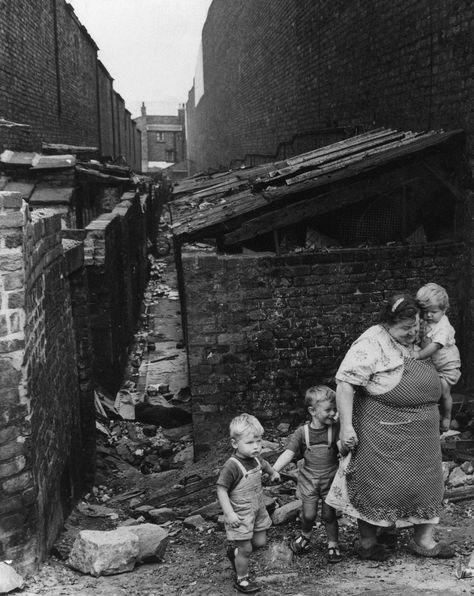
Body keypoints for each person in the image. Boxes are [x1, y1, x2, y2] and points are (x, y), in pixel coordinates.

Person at [326, 294, 455, 561]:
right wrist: (347, 428)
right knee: (378, 485)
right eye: (405, 329)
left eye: (415, 326)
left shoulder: (421, 335)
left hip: (423, 434)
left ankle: (423, 541)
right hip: (382, 432)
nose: (412, 333)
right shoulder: (371, 341)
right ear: (387, 324)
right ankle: (368, 541)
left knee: (427, 484)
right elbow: (345, 384)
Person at [273, 385, 348, 563]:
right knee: (308, 515)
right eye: (328, 410)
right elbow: (289, 454)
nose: (332, 413)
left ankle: (333, 544)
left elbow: (343, 451)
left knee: (329, 515)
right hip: (309, 481)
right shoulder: (302, 433)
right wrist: (274, 469)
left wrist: (343, 429)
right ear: (312, 411)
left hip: (330, 480)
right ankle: (305, 535)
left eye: (335, 409)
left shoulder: (334, 429)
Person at [216, 413, 280, 594]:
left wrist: (273, 472)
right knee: (246, 548)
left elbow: (265, 465)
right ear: (235, 443)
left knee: (260, 541)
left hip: (258, 508)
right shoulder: (232, 466)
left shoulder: (257, 459)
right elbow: (221, 490)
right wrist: (229, 513)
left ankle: (235, 554)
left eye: (258, 442)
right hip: (241, 512)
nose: (256, 447)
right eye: (250, 443)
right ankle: (242, 579)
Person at [415, 283, 461, 432]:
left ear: (444, 310)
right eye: (425, 311)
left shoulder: (443, 327)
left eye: (433, 312)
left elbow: (436, 345)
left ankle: (447, 416)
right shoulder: (426, 320)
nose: (428, 315)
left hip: (447, 365)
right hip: (433, 364)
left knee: (443, 392)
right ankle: (432, 418)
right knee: (430, 389)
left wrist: (419, 355)